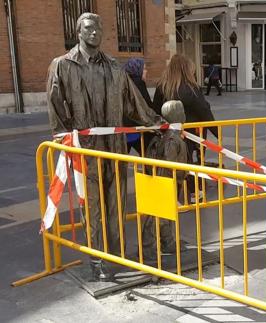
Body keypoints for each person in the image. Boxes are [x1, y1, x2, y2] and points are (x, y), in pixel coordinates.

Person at [47, 13, 163, 281]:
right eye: (88, 28)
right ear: (78, 32)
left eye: (98, 28)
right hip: (85, 150)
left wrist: (157, 122)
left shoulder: (113, 67)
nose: (94, 33)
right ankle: (96, 259)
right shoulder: (62, 65)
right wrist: (63, 135)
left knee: (116, 202)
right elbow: (54, 102)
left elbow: (133, 102)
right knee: (92, 206)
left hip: (114, 147)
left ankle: (117, 252)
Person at [153, 54, 218, 201]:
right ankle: (194, 193)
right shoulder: (191, 87)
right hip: (192, 134)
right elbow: (203, 110)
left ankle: (172, 197)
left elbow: (155, 110)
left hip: (168, 134)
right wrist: (216, 130)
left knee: (171, 164)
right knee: (192, 163)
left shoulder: (162, 86)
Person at [142, 100, 189, 261]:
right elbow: (170, 160)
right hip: (166, 179)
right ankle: (148, 247)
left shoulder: (169, 135)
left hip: (168, 178)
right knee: (156, 214)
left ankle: (167, 241)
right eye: (182, 110)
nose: (184, 113)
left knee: (166, 213)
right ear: (177, 115)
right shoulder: (171, 139)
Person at [123, 58, 153, 155]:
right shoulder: (139, 83)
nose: (146, 71)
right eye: (144, 69)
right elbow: (147, 106)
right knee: (148, 157)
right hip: (137, 130)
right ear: (137, 70)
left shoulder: (123, 82)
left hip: (123, 129)